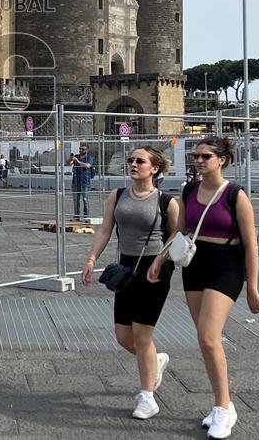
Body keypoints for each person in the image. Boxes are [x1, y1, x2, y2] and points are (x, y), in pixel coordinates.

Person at [148, 136, 259, 439]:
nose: (199, 161)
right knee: (204, 340)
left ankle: (224, 409)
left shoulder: (235, 195)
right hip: (196, 264)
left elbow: (251, 244)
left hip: (226, 265)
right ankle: (222, 404)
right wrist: (160, 260)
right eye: (196, 156)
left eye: (205, 156)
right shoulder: (189, 190)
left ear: (222, 160)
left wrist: (252, 286)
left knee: (209, 336)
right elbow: (180, 232)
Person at [81, 146, 179, 421]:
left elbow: (178, 234)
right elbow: (105, 228)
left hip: (155, 269)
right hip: (126, 267)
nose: (133, 164)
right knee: (123, 337)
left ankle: (147, 397)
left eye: (140, 161)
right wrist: (91, 258)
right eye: (131, 160)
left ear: (155, 168)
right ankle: (155, 361)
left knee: (141, 334)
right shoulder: (118, 195)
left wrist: (161, 258)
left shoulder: (167, 201)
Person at [69, 144, 94, 220]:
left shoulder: (89, 158)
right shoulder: (76, 157)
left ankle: (86, 216)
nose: (81, 151)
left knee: (85, 199)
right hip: (75, 181)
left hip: (85, 181)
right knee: (76, 200)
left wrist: (78, 161)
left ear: (87, 151)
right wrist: (70, 159)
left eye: (83, 149)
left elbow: (87, 166)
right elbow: (68, 163)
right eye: (80, 149)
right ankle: (76, 215)